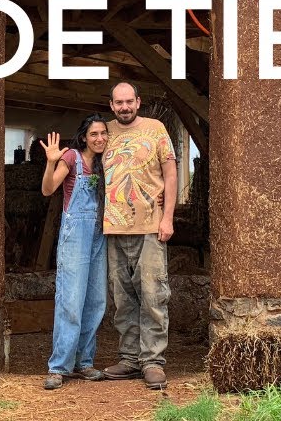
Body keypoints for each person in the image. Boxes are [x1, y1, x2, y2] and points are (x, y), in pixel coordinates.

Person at [99, 81, 177, 390]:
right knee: (123, 298)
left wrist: (168, 216)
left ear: (138, 102)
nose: (125, 107)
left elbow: (170, 173)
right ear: (111, 105)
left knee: (153, 295)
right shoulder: (103, 133)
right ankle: (130, 359)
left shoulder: (156, 129)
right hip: (113, 227)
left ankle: (153, 361)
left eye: (129, 101)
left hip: (150, 225)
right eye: (119, 102)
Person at [38, 115, 110, 390]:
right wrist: (50, 162)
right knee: (70, 299)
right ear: (84, 137)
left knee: (96, 300)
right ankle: (59, 367)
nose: (100, 138)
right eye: (94, 134)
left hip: (99, 235)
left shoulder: (106, 164)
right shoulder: (71, 158)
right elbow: (48, 190)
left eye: (103, 133)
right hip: (74, 236)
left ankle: (85, 362)